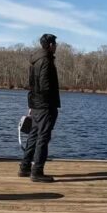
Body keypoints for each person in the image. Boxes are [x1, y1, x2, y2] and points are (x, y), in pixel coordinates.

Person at [20, 33, 61, 182]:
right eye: (55, 44)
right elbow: (45, 86)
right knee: (43, 137)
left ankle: (24, 167)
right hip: (45, 106)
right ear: (50, 45)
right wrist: (49, 105)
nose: (56, 47)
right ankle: (37, 172)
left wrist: (32, 105)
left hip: (36, 105)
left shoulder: (35, 60)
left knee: (33, 135)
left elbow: (31, 85)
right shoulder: (46, 61)